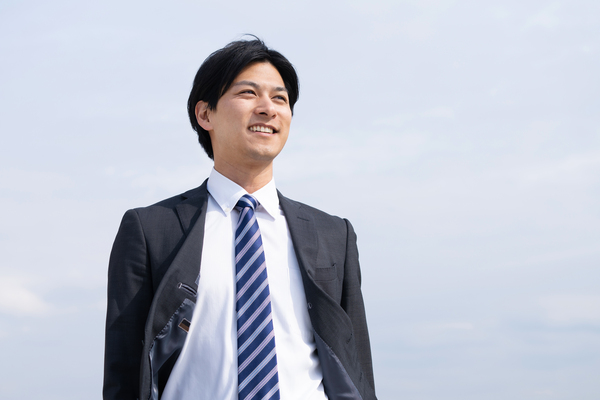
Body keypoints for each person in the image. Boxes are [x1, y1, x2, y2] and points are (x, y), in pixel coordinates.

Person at [103, 37, 376, 400]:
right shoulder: (151, 230)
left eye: (280, 98)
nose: (268, 108)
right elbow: (123, 373)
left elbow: (357, 370)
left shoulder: (333, 235)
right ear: (205, 114)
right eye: (248, 93)